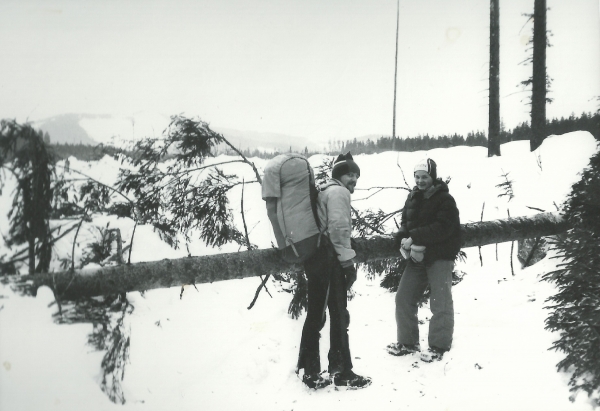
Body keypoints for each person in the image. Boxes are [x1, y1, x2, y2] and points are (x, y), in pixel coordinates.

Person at [296, 152, 372, 389]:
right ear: (340, 175)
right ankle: (341, 371)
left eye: (356, 176)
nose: (354, 180)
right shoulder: (338, 192)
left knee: (317, 314)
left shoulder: (325, 189)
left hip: (317, 258)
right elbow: (338, 230)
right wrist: (348, 263)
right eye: (350, 174)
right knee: (338, 315)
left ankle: (310, 370)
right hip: (329, 261)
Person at [387, 158, 461, 362]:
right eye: (417, 177)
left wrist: (416, 237)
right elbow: (405, 223)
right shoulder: (412, 198)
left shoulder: (445, 200)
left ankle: (439, 346)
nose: (420, 181)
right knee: (404, 297)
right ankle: (408, 342)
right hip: (417, 257)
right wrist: (402, 239)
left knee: (440, 302)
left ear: (433, 177)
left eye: (424, 177)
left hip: (440, 256)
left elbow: (444, 228)